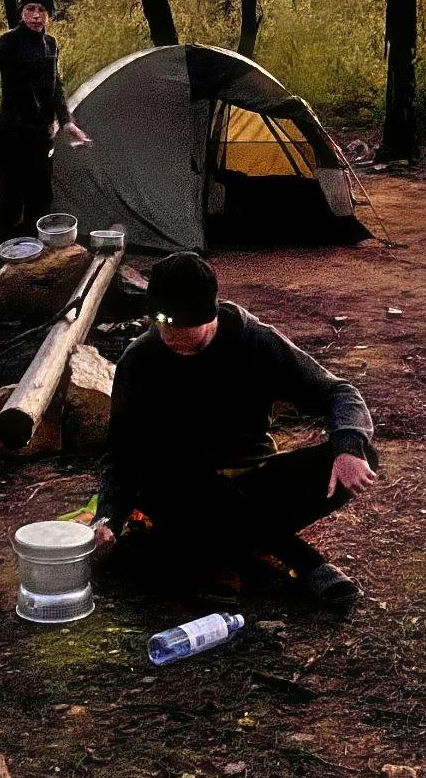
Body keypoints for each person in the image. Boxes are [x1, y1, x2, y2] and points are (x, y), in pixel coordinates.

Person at [89, 252, 378, 606]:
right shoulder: (140, 359)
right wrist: (108, 518)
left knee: (360, 456)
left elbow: (338, 392)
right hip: (180, 487)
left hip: (253, 477)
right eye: (159, 321)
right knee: (177, 484)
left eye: (178, 324)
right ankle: (302, 558)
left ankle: (222, 550)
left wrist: (349, 447)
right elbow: (122, 451)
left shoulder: (254, 342)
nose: (167, 334)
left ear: (208, 316)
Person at [0, 0, 87, 257]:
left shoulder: (50, 45)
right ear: (22, 11)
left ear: (49, 14)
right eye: (30, 8)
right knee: (11, 199)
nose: (35, 15)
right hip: (12, 137)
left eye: (42, 10)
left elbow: (57, 86)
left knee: (41, 199)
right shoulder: (8, 43)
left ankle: (32, 256)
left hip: (41, 137)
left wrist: (66, 121)